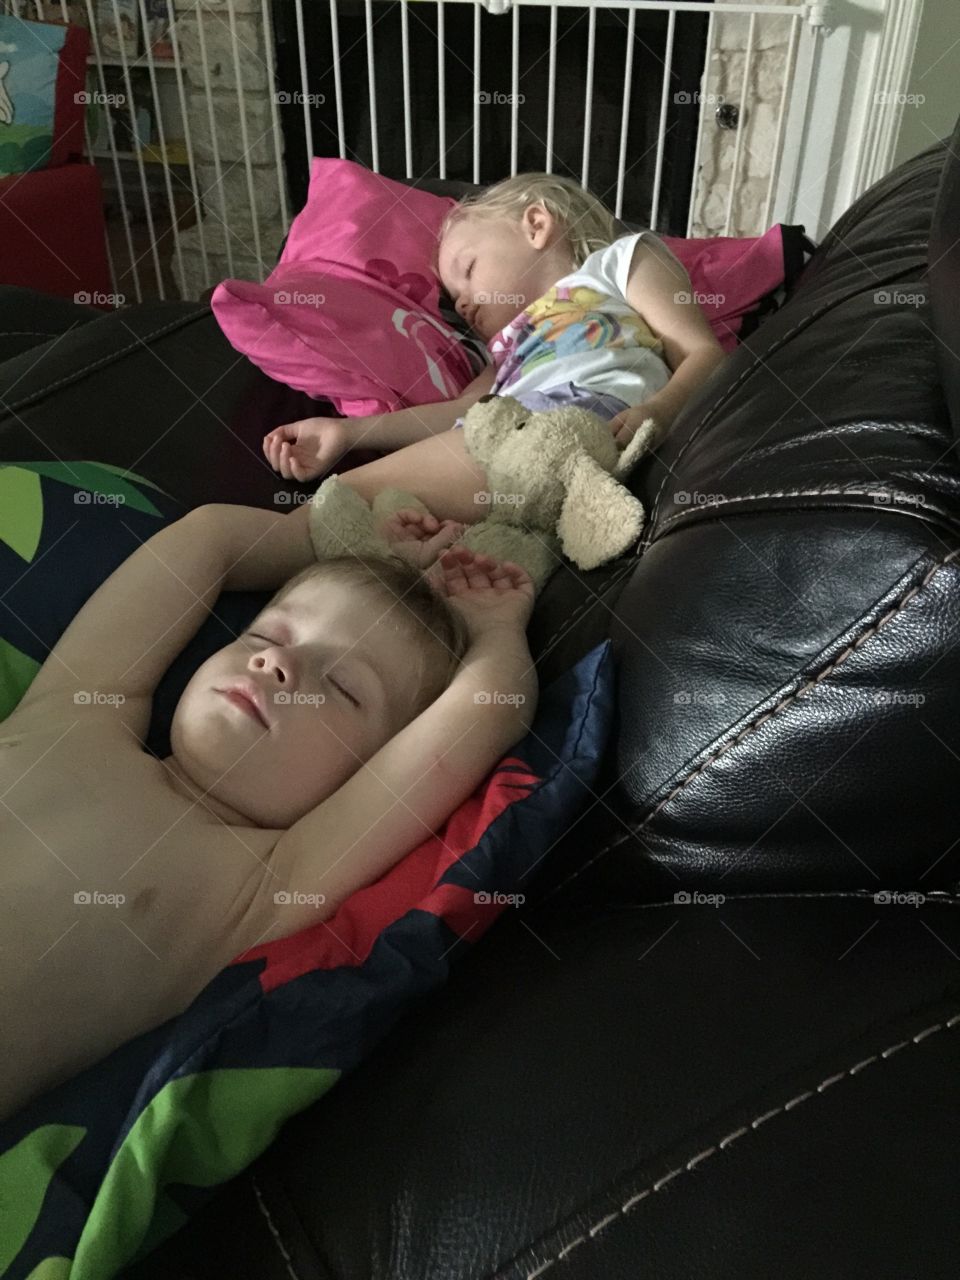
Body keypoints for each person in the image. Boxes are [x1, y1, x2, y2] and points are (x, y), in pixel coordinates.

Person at [0, 502, 535, 1122]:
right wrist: (342, 539)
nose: (278, 664)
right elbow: (207, 538)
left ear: (369, 773)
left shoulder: (266, 886)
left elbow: (488, 707)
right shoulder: (77, 713)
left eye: (342, 686)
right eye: (267, 636)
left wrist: (493, 628)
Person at [261, 171, 727, 526]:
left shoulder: (618, 262)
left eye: (468, 268)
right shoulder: (503, 352)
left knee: (338, 509)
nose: (461, 302)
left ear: (537, 224)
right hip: (508, 441)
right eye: (453, 298)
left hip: (587, 419)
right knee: (379, 522)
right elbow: (461, 413)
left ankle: (252, 544)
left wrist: (660, 412)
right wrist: (349, 434)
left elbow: (704, 353)